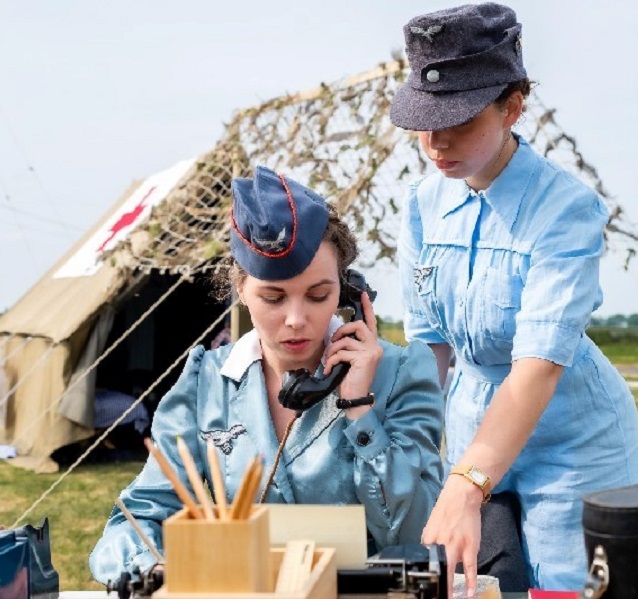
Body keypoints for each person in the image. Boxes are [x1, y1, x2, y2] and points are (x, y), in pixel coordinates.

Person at [391, 3, 638, 593]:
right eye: (426, 119)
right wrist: (416, 451)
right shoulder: (421, 205)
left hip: (575, 444)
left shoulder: (566, 210)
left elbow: (536, 370)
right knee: (476, 586)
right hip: (470, 433)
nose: (436, 140)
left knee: (571, 587)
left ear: (513, 106)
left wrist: (465, 484)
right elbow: (429, 347)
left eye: (459, 119)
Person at [90, 166, 444, 585]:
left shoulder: (400, 372)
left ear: (350, 293)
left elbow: (415, 532)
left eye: (319, 295)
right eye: (273, 298)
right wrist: (151, 570)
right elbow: (136, 518)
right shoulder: (206, 382)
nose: (297, 320)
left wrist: (359, 409)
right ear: (240, 289)